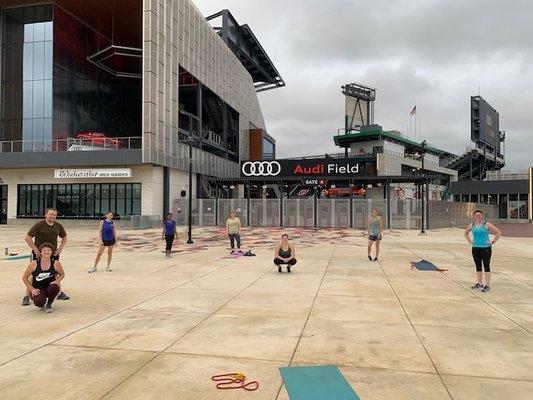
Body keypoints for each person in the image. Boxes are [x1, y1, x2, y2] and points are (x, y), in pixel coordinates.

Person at [22, 208, 68, 306]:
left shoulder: (58, 226)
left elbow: (64, 237)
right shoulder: (39, 225)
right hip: (39, 254)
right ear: (46, 214)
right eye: (50, 214)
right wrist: (35, 249)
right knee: (32, 274)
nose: (52, 216)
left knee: (55, 273)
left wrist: (60, 249)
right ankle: (26, 296)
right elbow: (28, 238)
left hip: (53, 254)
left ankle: (59, 292)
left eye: (54, 215)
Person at [464, 210, 502, 293]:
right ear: (474, 216)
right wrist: (470, 241)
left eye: (479, 215)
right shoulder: (472, 225)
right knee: (478, 266)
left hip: (486, 248)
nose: (478, 217)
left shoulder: (486, 224)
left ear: (482, 216)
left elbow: (498, 232)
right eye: (476, 215)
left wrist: (493, 242)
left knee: (486, 265)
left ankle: (487, 285)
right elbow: (466, 233)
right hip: (475, 248)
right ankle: (480, 283)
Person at [21, 242, 65, 313]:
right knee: (39, 302)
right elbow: (24, 278)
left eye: (48, 250)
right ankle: (42, 302)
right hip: (38, 289)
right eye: (44, 250)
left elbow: (62, 274)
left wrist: (57, 281)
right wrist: (32, 289)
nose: (46, 252)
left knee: (55, 287)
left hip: (49, 288)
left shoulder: (56, 263)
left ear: (51, 252)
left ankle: (49, 303)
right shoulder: (34, 264)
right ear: (41, 253)